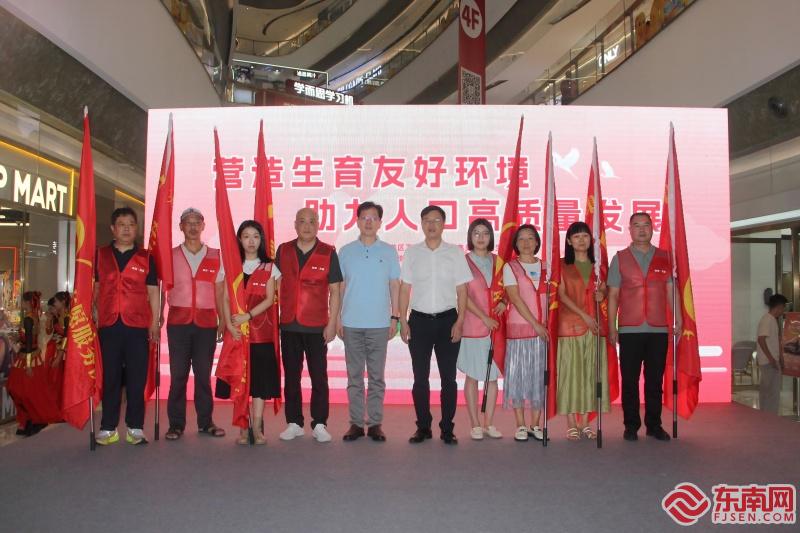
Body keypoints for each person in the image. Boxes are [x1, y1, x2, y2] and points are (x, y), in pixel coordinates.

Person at [399, 205, 472, 445]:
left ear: (444, 224)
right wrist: (403, 320)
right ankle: (423, 427)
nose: (431, 225)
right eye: (427, 220)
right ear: (421, 224)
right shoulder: (412, 253)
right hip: (418, 322)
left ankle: (447, 428)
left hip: (448, 321)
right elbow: (405, 289)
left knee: (448, 379)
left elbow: (462, 290)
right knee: (420, 379)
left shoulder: (455, 253)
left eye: (437, 220)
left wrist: (460, 321)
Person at [607, 212, 677, 442]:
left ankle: (654, 425)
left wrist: (678, 319)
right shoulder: (620, 258)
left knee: (655, 381)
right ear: (629, 230)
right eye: (636, 225)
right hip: (630, 329)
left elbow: (671, 292)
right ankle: (631, 425)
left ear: (652, 228)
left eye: (646, 225)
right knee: (630, 380)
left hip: (658, 329)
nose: (641, 229)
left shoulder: (665, 257)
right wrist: (612, 327)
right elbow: (613, 295)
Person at [275, 208, 342, 443]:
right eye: (302, 221)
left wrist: (332, 323)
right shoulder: (283, 250)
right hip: (289, 325)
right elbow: (275, 285)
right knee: (291, 376)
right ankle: (294, 422)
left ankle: (320, 423)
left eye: (312, 221)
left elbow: (335, 291)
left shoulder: (328, 252)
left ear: (318, 225)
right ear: (295, 224)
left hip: (316, 326)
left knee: (319, 377)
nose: (307, 226)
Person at [94, 207, 159, 446]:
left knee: (136, 378)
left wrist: (154, 322)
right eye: (121, 224)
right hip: (109, 325)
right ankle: (108, 427)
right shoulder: (100, 255)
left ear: (136, 229)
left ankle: (135, 427)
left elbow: (153, 292)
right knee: (110, 377)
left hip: (137, 326)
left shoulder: (146, 257)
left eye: (131, 224)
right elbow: (94, 289)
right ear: (113, 228)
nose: (126, 229)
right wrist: (90, 315)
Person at [337, 201, 400, 442]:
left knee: (376, 377)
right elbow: (340, 287)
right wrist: (337, 317)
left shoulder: (389, 251)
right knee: (354, 377)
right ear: (357, 221)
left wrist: (395, 317)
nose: (369, 222)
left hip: (380, 323)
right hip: (351, 322)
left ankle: (374, 423)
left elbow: (394, 285)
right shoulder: (346, 251)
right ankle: (355, 423)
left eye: (374, 218)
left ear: (380, 222)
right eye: (364, 217)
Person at [164, 207, 226, 441]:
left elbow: (220, 291)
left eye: (196, 222)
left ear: (203, 226)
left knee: (203, 374)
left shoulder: (215, 255)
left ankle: (205, 422)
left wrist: (222, 319)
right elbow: (160, 289)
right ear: (180, 226)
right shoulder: (169, 255)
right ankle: (176, 424)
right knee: (178, 374)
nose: (192, 227)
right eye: (187, 222)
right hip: (178, 323)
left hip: (206, 323)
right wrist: (156, 317)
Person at [223, 220, 281, 445]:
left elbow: (269, 299)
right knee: (240, 379)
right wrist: (229, 325)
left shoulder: (269, 267)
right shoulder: (232, 265)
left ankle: (256, 427)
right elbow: (225, 298)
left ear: (261, 240)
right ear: (239, 239)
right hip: (237, 333)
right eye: (246, 236)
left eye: (255, 236)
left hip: (260, 333)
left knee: (259, 383)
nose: (251, 241)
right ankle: (242, 427)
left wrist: (248, 316)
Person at [556, 222, 609, 441]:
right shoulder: (561, 265)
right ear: (569, 241)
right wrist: (583, 315)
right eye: (576, 236)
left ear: (591, 240)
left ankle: (585, 422)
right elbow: (561, 295)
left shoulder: (599, 267)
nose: (581, 240)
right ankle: (571, 423)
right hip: (570, 326)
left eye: (585, 236)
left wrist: (602, 295)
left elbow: (604, 292)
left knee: (590, 375)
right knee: (570, 376)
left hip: (595, 327)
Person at [457, 218, 504, 440]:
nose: (481, 237)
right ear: (470, 237)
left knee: (492, 377)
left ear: (491, 237)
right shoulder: (463, 262)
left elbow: (508, 289)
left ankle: (489, 423)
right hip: (473, 326)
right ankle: (475, 423)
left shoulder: (499, 262)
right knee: (473, 376)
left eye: (485, 233)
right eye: (476, 233)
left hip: (496, 327)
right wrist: (484, 317)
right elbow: (462, 296)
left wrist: (504, 302)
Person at [502, 225, 548, 442]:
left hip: (544, 330)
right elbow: (515, 298)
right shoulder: (510, 267)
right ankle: (520, 424)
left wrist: (543, 325)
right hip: (520, 328)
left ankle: (535, 424)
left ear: (537, 242)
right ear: (516, 244)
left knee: (539, 377)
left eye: (531, 238)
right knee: (519, 377)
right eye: (521, 239)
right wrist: (535, 324)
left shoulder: (547, 267)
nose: (527, 243)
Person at [7, 291, 48, 436]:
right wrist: (18, 339)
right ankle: (29, 420)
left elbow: (30, 342)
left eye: (22, 301)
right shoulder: (33, 316)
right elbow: (28, 339)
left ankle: (32, 419)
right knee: (25, 391)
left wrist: (28, 365)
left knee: (19, 390)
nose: (21, 303)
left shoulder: (29, 319)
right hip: (29, 357)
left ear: (26, 302)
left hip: (27, 359)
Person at [756, 293, 787, 414]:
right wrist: (771, 358)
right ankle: (768, 416)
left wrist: (780, 358)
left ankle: (769, 416)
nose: (783, 311)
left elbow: (774, 341)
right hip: (769, 362)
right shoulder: (767, 320)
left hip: (772, 360)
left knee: (772, 391)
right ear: (778, 307)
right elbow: (761, 339)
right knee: (770, 391)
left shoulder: (772, 320)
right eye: (783, 308)